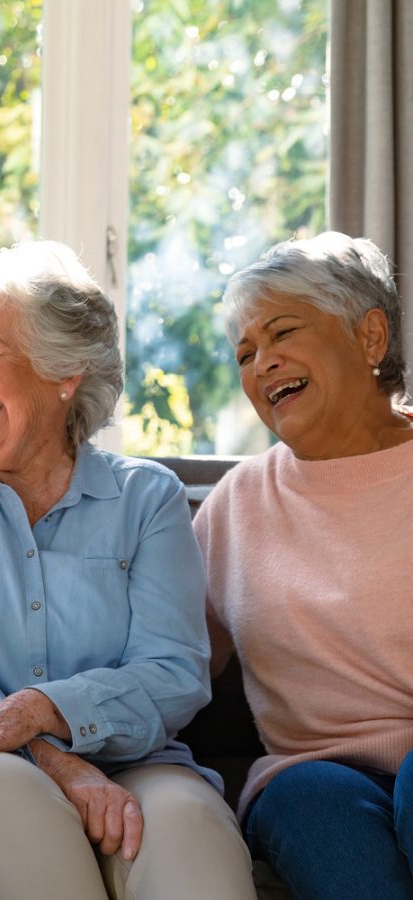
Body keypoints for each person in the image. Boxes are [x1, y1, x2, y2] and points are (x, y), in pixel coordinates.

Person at [0, 240, 256, 900]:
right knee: (16, 815)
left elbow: (173, 670)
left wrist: (46, 709)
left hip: (136, 759)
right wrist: (48, 753)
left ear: (64, 373)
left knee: (191, 842)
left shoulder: (146, 498)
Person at [194, 231, 413, 900]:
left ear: (370, 337)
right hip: (309, 772)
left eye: (283, 332)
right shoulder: (239, 503)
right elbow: (169, 662)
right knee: (315, 810)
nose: (262, 363)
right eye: (245, 353)